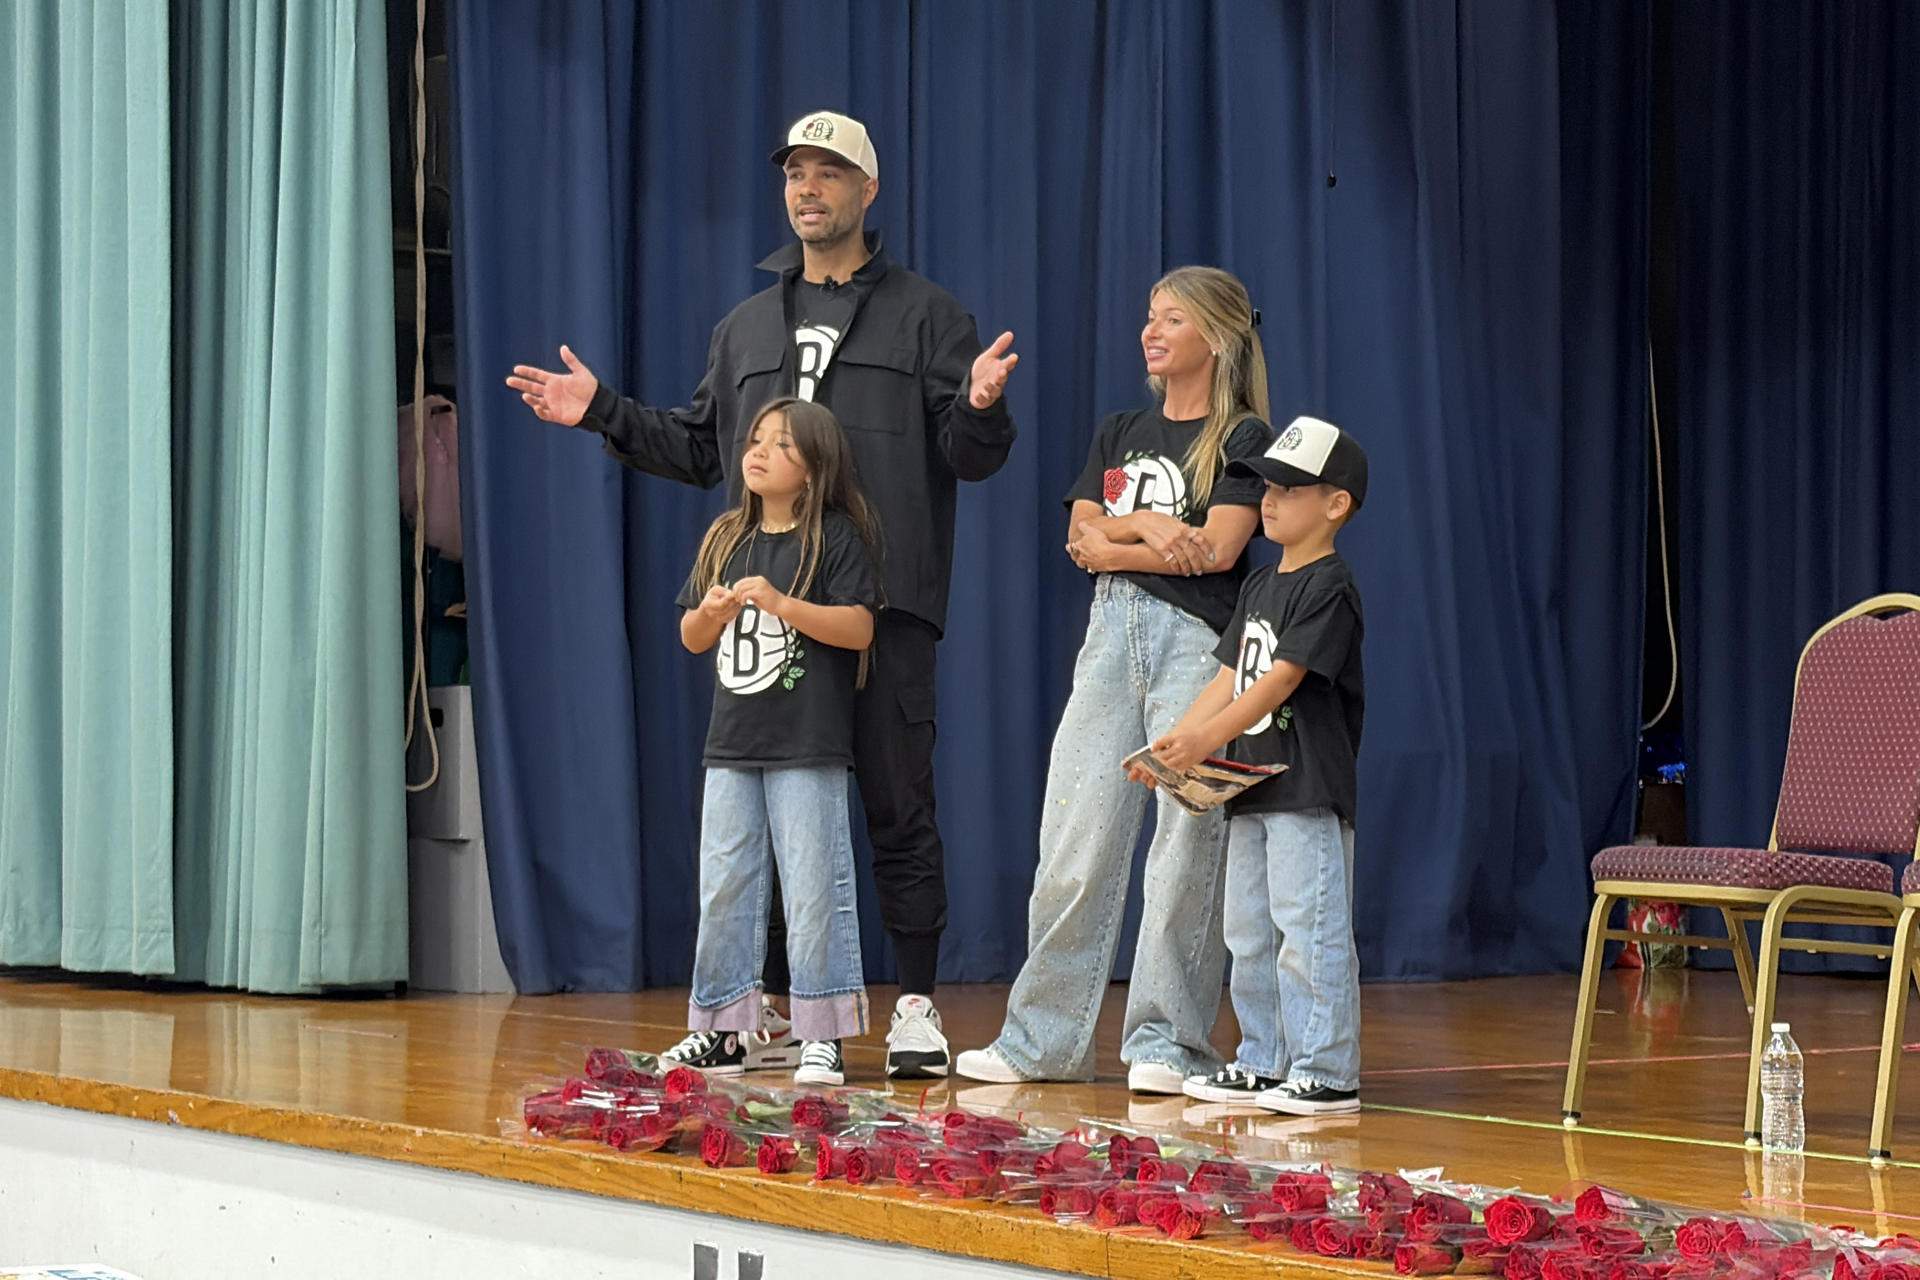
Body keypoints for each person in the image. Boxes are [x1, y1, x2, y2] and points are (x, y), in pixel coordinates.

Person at [505, 111, 1018, 1078]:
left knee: (898, 807)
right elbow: (704, 448)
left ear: (868, 192)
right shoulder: (745, 327)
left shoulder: (926, 315)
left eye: (830, 172)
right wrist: (600, 413)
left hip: (882, 605)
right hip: (766, 612)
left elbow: (967, 455)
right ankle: (769, 1009)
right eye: (795, 172)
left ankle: (912, 1004)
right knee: (775, 816)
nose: (808, 188)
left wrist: (983, 407)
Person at [954, 267, 1273, 1093]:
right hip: (1110, 636)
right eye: (1148, 315)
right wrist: (1153, 525)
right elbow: (1082, 542)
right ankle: (1041, 1040)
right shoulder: (1120, 429)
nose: (1151, 330)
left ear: (1217, 335)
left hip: (1199, 648)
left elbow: (1223, 550)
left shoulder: (1242, 438)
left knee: (1185, 848)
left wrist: (1131, 535)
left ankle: (1168, 1045)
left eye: (1171, 318)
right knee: (1074, 838)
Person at [1130, 415, 1369, 1116]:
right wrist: (1176, 743)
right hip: (1252, 789)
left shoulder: (1330, 585)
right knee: (1249, 931)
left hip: (1306, 788)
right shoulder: (1260, 585)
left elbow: (1278, 682)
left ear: (1336, 504)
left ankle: (1326, 1068)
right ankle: (1264, 1058)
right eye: (1267, 484)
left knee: (1308, 924)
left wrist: (1205, 740)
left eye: (1291, 488)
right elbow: (1231, 675)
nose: (1269, 499)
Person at [669, 398, 882, 1087]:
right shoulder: (728, 536)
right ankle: (723, 1030)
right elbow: (692, 637)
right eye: (754, 438)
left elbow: (858, 629)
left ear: (814, 469)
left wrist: (785, 606)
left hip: (807, 744)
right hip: (732, 743)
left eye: (780, 445)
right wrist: (709, 612)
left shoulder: (835, 538)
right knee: (725, 884)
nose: (757, 452)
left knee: (817, 886)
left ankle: (822, 1034)